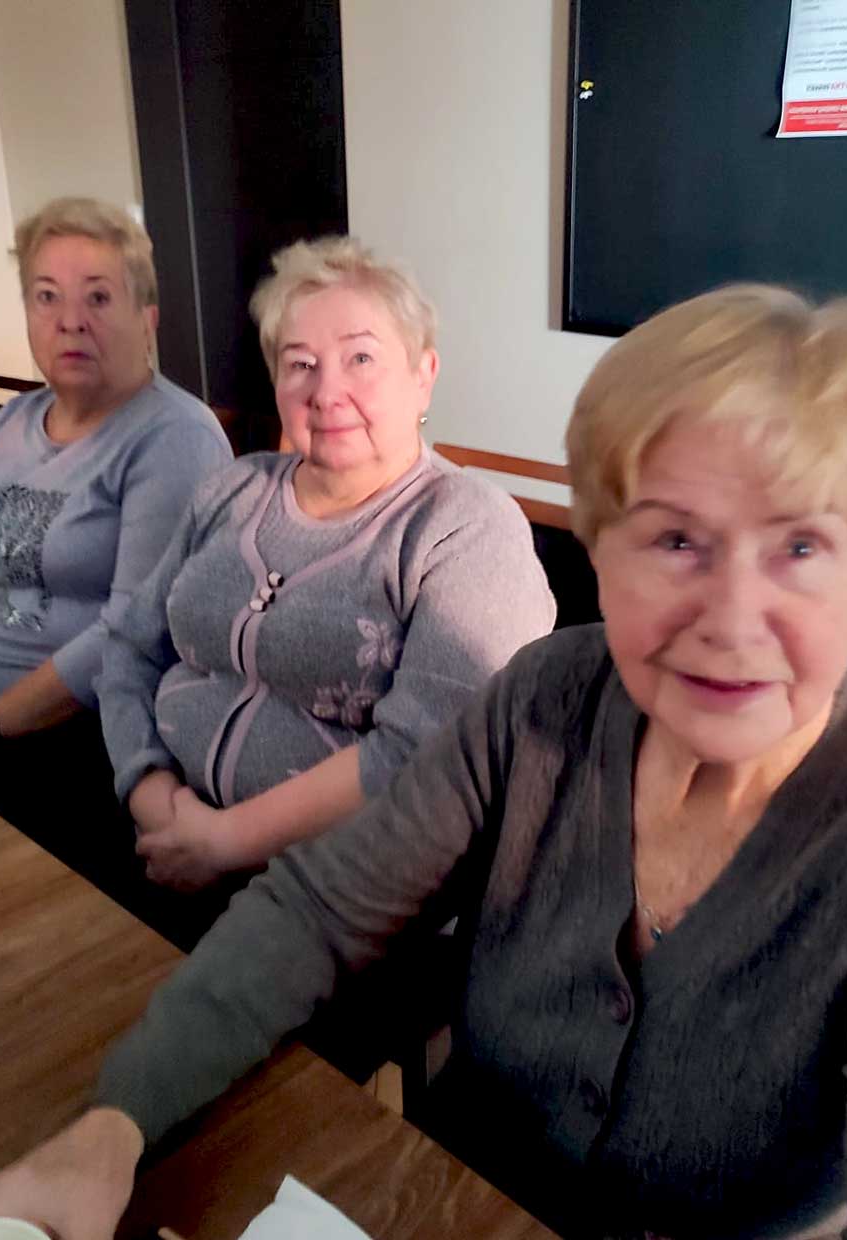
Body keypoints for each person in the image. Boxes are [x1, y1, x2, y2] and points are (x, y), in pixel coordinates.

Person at [0, 286, 847, 1240]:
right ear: (597, 544)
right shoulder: (547, 695)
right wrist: (111, 1126)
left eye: (799, 545)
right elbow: (319, 912)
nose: (732, 619)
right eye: (673, 539)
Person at [96, 236, 556, 914]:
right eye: (300, 364)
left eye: (360, 358)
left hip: (339, 899)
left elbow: (426, 752)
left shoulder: (468, 526)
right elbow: (130, 647)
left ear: (423, 374)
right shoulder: (232, 489)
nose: (326, 391)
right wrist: (151, 796)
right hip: (156, 838)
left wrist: (224, 842)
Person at [0, 198, 231, 863]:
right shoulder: (10, 420)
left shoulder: (174, 437)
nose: (70, 320)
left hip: (84, 745)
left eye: (99, 297)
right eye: (47, 297)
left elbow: (130, 632)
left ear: (147, 318)